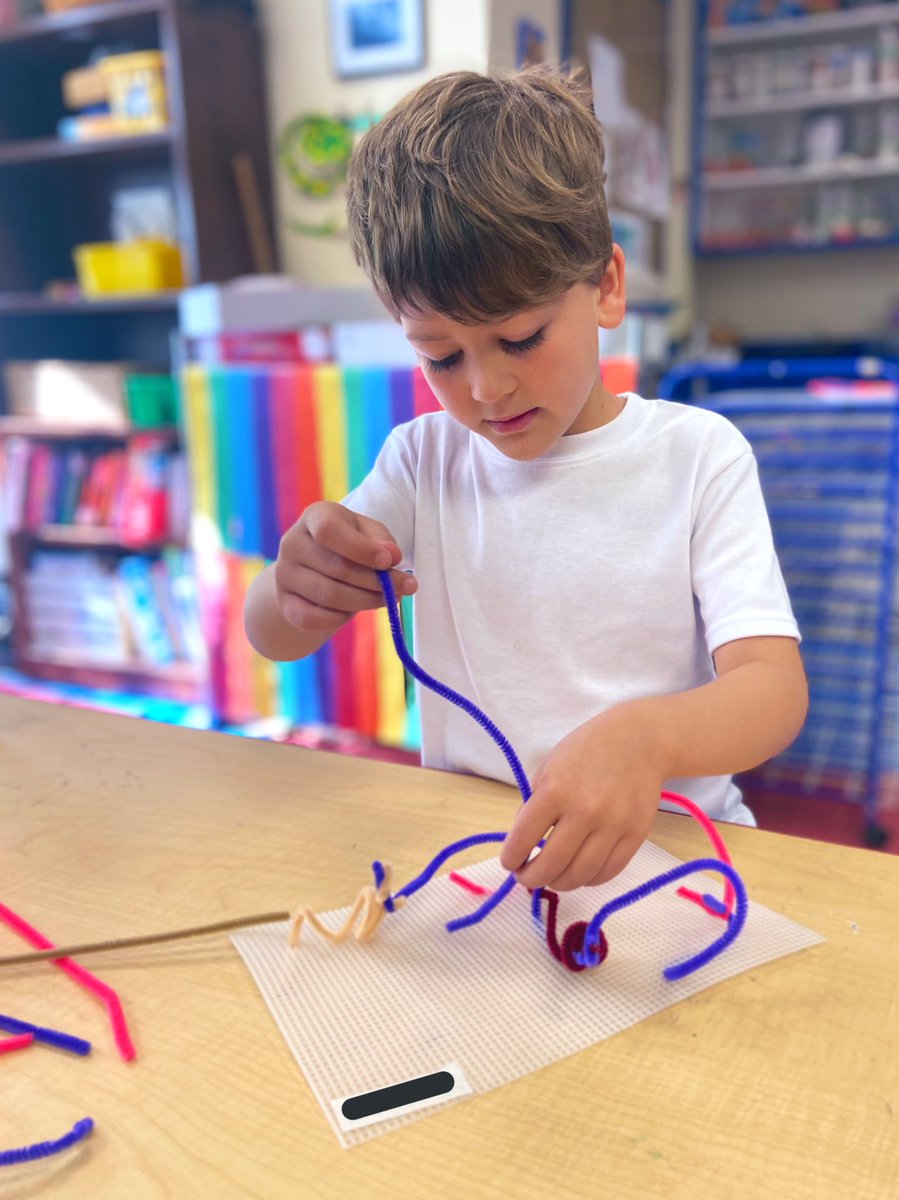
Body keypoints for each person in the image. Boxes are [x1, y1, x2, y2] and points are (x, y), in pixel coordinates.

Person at [245, 68, 807, 894]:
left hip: (678, 867)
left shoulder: (697, 456)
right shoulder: (420, 461)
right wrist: (290, 586)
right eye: (440, 356)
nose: (484, 388)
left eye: (519, 338)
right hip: (486, 863)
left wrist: (648, 739)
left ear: (606, 287)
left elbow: (771, 693)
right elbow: (272, 636)